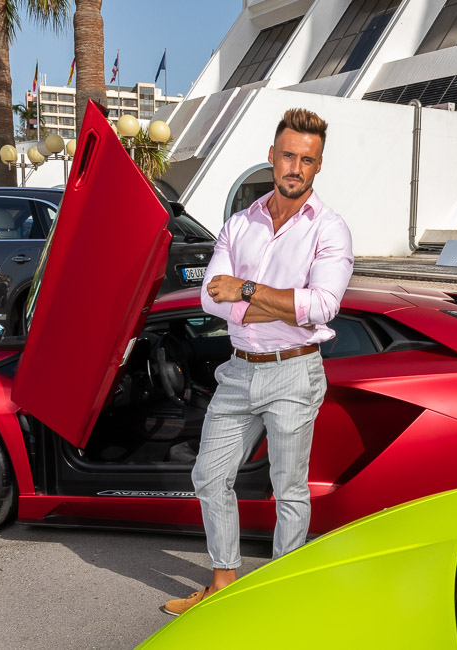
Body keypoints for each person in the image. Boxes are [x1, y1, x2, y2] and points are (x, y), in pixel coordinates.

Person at [162, 108, 354, 616]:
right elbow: (209, 298)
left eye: (307, 160)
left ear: (318, 166)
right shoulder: (238, 225)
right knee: (208, 474)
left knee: (288, 489)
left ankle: (282, 595)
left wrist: (246, 289)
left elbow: (322, 306)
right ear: (272, 157)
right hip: (239, 368)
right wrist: (283, 301)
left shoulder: (330, 230)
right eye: (288, 155)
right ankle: (224, 582)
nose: (295, 167)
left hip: (294, 369)